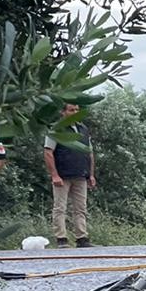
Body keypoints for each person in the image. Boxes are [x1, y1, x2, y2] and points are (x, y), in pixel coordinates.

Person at [43, 104, 95, 248]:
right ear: (63, 112)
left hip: (80, 174)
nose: (75, 112)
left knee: (81, 208)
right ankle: (61, 239)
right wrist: (54, 174)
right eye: (71, 110)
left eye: (77, 110)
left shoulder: (83, 129)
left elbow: (89, 152)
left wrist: (91, 174)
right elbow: (48, 152)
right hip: (62, 175)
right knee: (60, 208)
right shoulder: (56, 129)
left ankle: (82, 238)